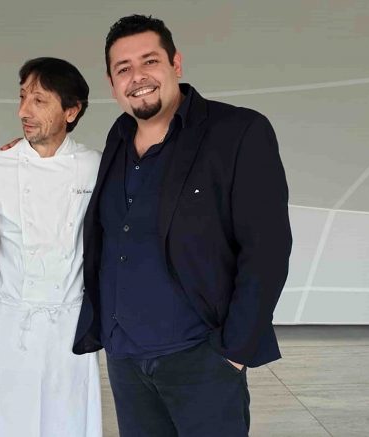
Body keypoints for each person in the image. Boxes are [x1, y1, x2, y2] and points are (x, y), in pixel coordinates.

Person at [72, 15, 292, 437]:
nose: (137, 77)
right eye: (123, 68)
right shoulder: (117, 140)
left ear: (176, 63)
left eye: (149, 61)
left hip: (201, 360)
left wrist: (233, 352)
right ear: (112, 83)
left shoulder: (237, 132)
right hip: (126, 362)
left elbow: (267, 249)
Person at [0, 58, 102, 437]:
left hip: (70, 325)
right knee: (6, 422)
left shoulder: (95, 167)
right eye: (22, 98)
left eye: (39, 100)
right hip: (11, 325)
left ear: (71, 111)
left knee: (69, 422)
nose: (23, 112)